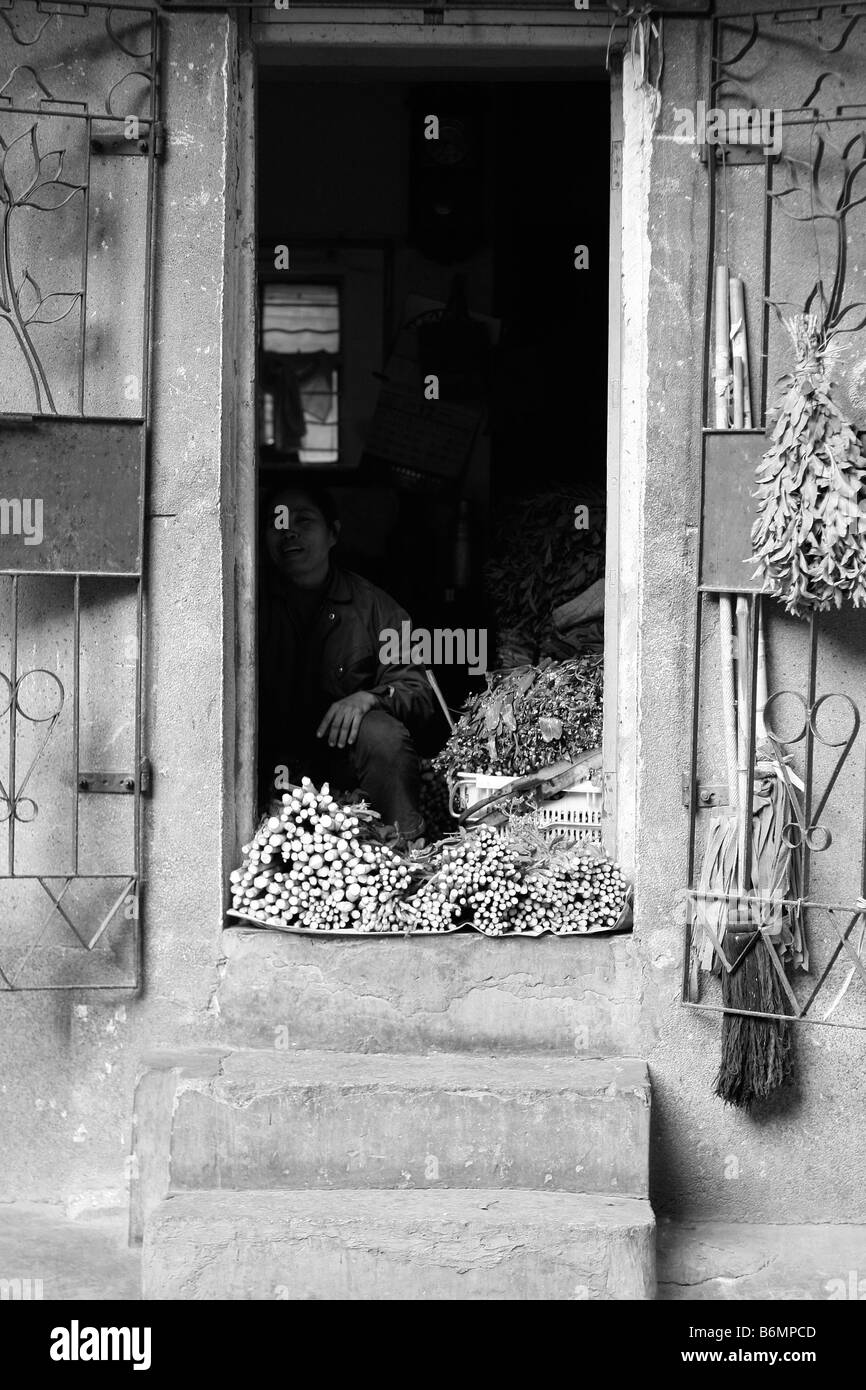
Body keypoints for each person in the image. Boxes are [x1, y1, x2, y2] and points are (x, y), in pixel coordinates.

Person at [259, 484, 437, 840]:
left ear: (333, 534)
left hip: (343, 761)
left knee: (383, 735)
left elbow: (418, 692)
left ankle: (401, 849)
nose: (288, 531)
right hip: (270, 753)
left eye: (304, 520)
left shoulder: (376, 608)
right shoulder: (249, 601)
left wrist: (369, 697)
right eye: (276, 522)